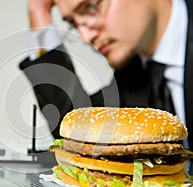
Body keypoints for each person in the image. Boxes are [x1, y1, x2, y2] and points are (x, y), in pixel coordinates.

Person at [19, 0, 193, 160]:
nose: (86, 37)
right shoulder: (133, 75)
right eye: (73, 23)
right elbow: (77, 136)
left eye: (91, 6)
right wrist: (39, 13)